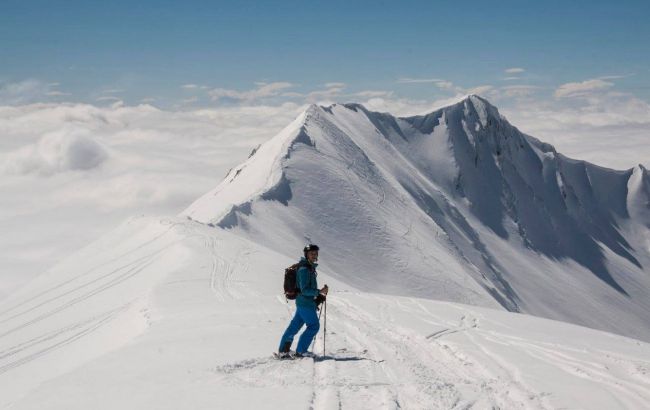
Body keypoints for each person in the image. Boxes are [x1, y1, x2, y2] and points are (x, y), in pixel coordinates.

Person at [278, 244, 328, 358]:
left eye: (316, 253)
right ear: (306, 254)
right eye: (312, 253)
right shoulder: (305, 269)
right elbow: (305, 290)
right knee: (314, 326)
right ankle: (301, 351)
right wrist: (319, 292)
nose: (314, 255)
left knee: (294, 326)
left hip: (303, 302)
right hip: (305, 303)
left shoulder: (308, 267)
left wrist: (317, 296)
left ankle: (283, 351)